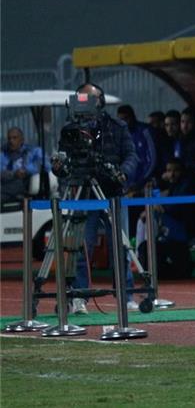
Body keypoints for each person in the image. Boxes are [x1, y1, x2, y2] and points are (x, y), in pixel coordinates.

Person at [52, 83, 140, 315]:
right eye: (80, 98)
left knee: (120, 246)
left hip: (112, 193)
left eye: (88, 98)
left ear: (100, 101)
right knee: (81, 248)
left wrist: (122, 173)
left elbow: (131, 155)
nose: (84, 103)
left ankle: (126, 295)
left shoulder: (117, 127)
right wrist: (59, 167)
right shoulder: (70, 131)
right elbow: (64, 164)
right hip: (83, 194)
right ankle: (78, 297)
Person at [116, 105, 157, 195]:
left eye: (126, 118)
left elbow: (152, 159)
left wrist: (142, 181)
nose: (124, 122)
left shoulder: (144, 131)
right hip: (128, 183)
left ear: (133, 117)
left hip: (145, 182)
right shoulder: (119, 135)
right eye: (121, 120)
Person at [1, 127, 44, 202]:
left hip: (25, 183)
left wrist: (26, 170)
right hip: (7, 184)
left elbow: (43, 164)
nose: (11, 141)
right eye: (9, 138)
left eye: (14, 138)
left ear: (22, 140)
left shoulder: (32, 151)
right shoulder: (3, 154)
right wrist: (14, 174)